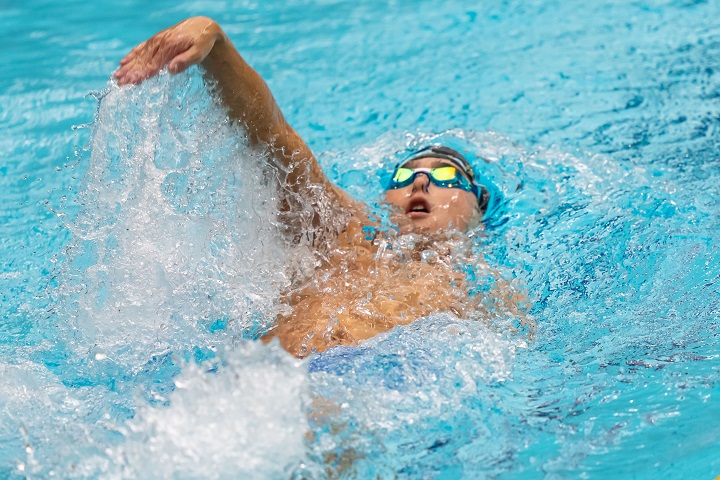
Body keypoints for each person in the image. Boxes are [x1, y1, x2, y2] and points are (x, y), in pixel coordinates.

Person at [115, 17, 519, 358]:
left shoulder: (494, 296)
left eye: (446, 177)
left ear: (480, 208)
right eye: (403, 176)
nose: (420, 180)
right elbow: (274, 138)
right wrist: (216, 45)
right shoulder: (342, 233)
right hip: (266, 387)